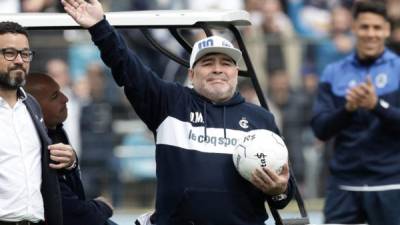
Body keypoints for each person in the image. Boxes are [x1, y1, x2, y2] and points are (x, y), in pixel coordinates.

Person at [61, 0, 294, 224]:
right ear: (192, 74)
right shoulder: (169, 103)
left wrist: (279, 191)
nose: (217, 69)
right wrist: (100, 26)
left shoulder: (261, 119)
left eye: (226, 63)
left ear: (235, 72)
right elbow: (127, 67)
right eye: (207, 62)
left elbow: (284, 190)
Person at [311, 1, 400, 224]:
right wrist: (348, 109)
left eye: (377, 28)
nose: (371, 34)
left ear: (387, 30)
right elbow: (320, 129)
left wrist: (376, 106)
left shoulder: (399, 69)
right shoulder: (333, 72)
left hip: (391, 184)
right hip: (344, 184)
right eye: (364, 27)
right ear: (353, 29)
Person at [0, 21, 75, 225]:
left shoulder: (31, 105)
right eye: (9, 53)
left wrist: (69, 161)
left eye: (25, 54)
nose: (19, 60)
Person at [24, 72, 118, 225]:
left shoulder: (55, 131)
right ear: (34, 107)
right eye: (55, 96)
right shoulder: (34, 145)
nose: (65, 99)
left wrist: (72, 164)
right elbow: (68, 211)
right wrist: (101, 207)